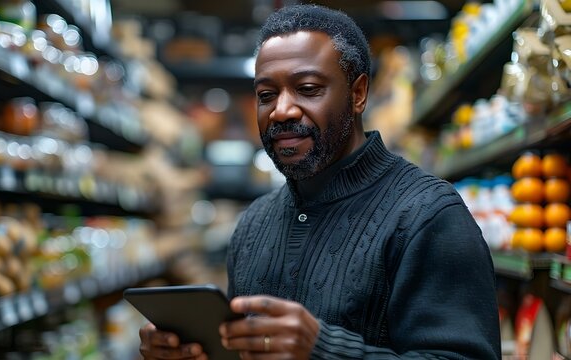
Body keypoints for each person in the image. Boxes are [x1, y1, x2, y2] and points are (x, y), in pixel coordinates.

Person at [139, 4, 501, 359]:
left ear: (358, 94)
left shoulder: (429, 216)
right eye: (266, 95)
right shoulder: (253, 225)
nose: (281, 110)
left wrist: (323, 349)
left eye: (308, 88)